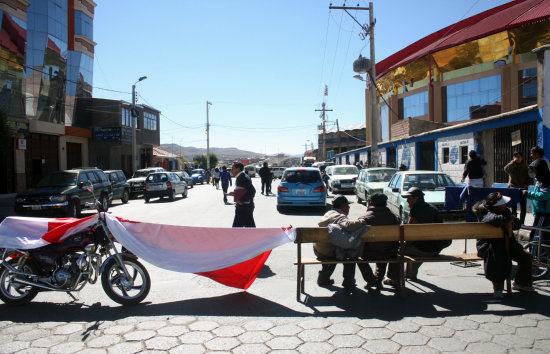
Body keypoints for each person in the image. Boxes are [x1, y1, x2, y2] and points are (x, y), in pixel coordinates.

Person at [472, 192, 534, 299]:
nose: (505, 205)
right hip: (489, 245)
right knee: (498, 257)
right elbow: (494, 219)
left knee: (526, 256)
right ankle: (498, 288)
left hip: (507, 242)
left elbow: (516, 223)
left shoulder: (504, 211)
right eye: (502, 204)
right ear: (496, 205)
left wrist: (512, 220)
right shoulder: (484, 211)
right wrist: (509, 219)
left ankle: (521, 282)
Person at [385, 187, 450, 286]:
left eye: (409, 198)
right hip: (435, 249)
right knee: (416, 246)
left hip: (424, 250)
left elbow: (411, 235)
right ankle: (411, 274)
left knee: (398, 250)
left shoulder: (415, 211)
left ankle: (392, 278)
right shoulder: (433, 208)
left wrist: (403, 243)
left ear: (416, 199)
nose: (407, 200)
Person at [316, 195, 369, 291]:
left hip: (319, 249)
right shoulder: (339, 216)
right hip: (330, 251)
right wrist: (362, 221)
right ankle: (348, 281)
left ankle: (323, 279)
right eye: (347, 205)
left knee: (337, 251)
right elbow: (348, 226)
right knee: (350, 253)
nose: (349, 207)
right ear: (342, 206)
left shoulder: (328, 213)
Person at [359, 193, 400, 290]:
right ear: (385, 204)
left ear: (371, 203)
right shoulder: (393, 217)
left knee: (358, 257)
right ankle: (377, 280)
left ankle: (371, 280)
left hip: (369, 253)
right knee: (384, 248)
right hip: (390, 253)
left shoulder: (364, 218)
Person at [524, 146, 550, 242]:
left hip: (544, 212)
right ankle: (541, 255)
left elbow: (545, 195)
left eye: (535, 169)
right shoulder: (539, 179)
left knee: (536, 236)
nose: (533, 172)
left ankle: (535, 256)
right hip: (539, 212)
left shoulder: (546, 181)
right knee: (543, 236)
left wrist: (528, 194)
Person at [504, 151, 532, 224]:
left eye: (518, 156)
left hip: (522, 188)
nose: (517, 158)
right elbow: (506, 169)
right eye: (515, 156)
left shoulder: (526, 167)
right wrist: (513, 162)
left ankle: (522, 222)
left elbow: (530, 178)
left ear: (522, 158)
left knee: (523, 206)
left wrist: (527, 184)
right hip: (513, 187)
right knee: (513, 206)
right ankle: (514, 221)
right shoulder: (512, 165)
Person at [227, 162, 256, 227]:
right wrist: (234, 193)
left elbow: (252, 191)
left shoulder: (242, 177)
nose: (231, 170)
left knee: (236, 230)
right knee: (250, 228)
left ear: (238, 169)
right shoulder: (241, 176)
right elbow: (243, 190)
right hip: (246, 207)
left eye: (233, 168)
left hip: (243, 208)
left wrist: (241, 200)